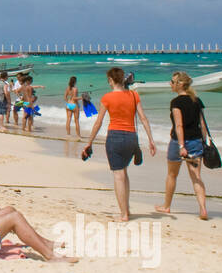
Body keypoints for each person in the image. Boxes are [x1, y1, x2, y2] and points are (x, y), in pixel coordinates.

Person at [82, 67, 157, 221]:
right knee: (124, 172)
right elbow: (143, 118)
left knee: (118, 175)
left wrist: (89, 142)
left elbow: (99, 122)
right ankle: (126, 209)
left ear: (111, 80)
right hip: (131, 138)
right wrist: (151, 140)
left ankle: (123, 214)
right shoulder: (134, 95)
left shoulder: (107, 98)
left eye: (108, 80)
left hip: (114, 137)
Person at [156, 71, 212, 220]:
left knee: (172, 175)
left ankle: (166, 206)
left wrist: (181, 146)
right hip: (196, 142)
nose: (170, 84)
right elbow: (202, 125)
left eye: (172, 82)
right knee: (196, 177)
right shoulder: (197, 100)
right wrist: (204, 143)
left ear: (180, 84)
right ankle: (203, 209)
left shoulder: (176, 102)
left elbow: (179, 125)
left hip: (178, 143)